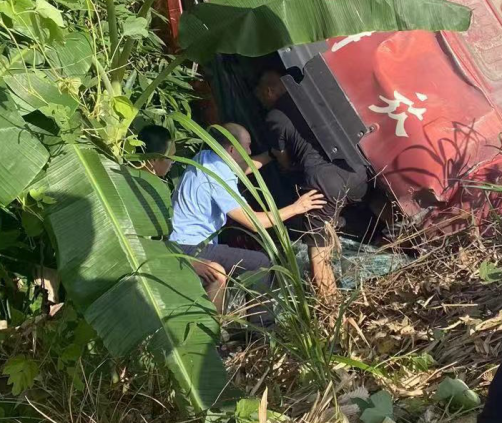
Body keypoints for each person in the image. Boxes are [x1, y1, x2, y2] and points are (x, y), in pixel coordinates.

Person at [170, 122, 327, 314]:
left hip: (180, 242)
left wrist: (271, 155)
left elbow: (240, 168)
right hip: (190, 248)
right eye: (248, 146)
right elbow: (255, 223)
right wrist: (297, 208)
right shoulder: (218, 179)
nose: (250, 151)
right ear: (232, 149)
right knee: (259, 263)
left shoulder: (206, 158)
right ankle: (262, 327)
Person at [255, 69, 370, 296]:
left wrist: (287, 166)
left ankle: (331, 309)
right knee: (370, 206)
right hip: (357, 171)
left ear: (269, 91)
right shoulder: (315, 99)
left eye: (260, 96)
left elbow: (283, 158)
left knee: (318, 256)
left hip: (323, 182)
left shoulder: (275, 115)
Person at [138, 124, 229, 313]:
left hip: (167, 254)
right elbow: (141, 246)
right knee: (217, 274)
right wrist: (189, 263)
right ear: (154, 159)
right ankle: (213, 330)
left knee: (216, 270)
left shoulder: (154, 186)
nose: (173, 162)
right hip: (148, 263)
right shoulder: (140, 191)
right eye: (170, 157)